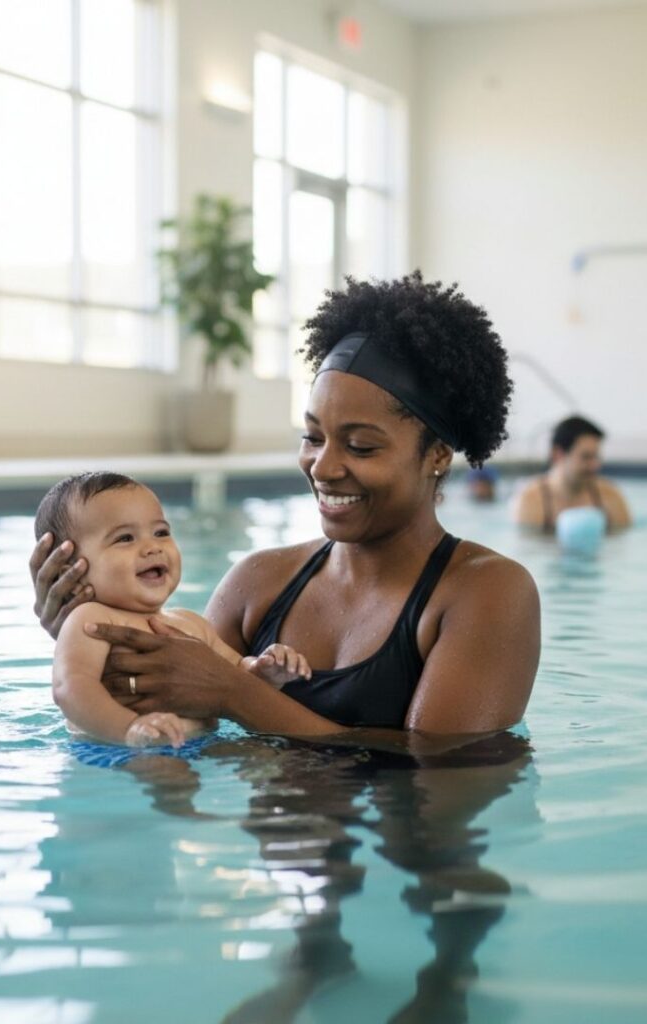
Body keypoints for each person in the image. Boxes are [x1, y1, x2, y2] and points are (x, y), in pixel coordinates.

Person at [30, 272, 540, 750]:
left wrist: (235, 693)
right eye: (312, 437)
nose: (323, 467)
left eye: (360, 446)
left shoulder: (487, 592)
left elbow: (444, 773)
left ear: (437, 456)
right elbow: (175, 716)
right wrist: (90, 634)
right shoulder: (258, 583)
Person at [35, 471, 311, 749]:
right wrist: (129, 728)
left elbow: (236, 676)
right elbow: (70, 688)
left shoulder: (190, 623)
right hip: (123, 751)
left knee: (267, 758)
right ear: (72, 570)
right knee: (164, 769)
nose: (152, 547)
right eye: (125, 538)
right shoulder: (91, 620)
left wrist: (264, 671)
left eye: (161, 532)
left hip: (203, 744)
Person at [511, 415, 631, 532]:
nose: (595, 465)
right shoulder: (531, 501)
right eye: (586, 457)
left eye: (596, 457)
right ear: (558, 455)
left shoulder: (610, 498)